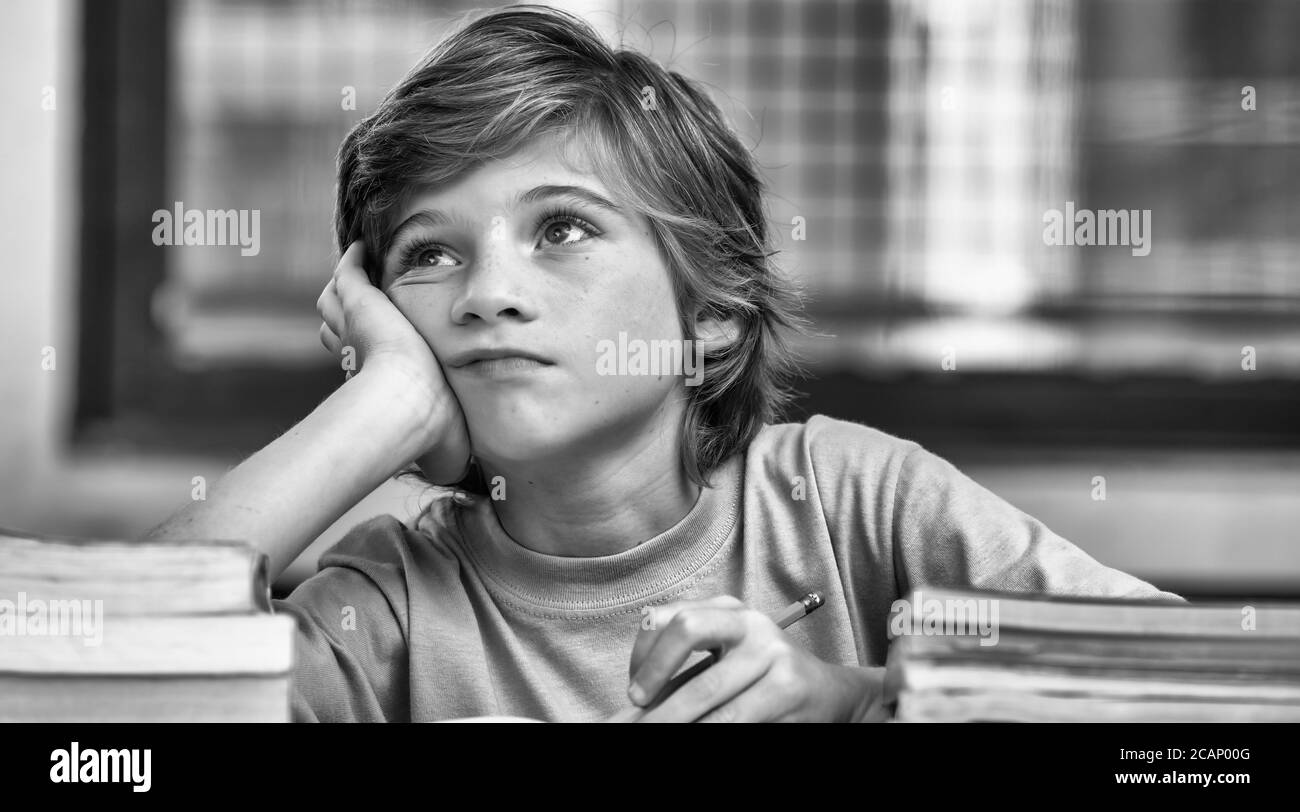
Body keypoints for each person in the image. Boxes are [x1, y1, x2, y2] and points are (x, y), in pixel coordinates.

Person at [144, 5, 1183, 723]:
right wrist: (385, 404)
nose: (484, 292)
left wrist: (859, 698)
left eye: (560, 229)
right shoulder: (391, 598)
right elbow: (88, 720)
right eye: (430, 253)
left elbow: (1205, 724)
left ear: (711, 318)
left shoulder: (858, 502)